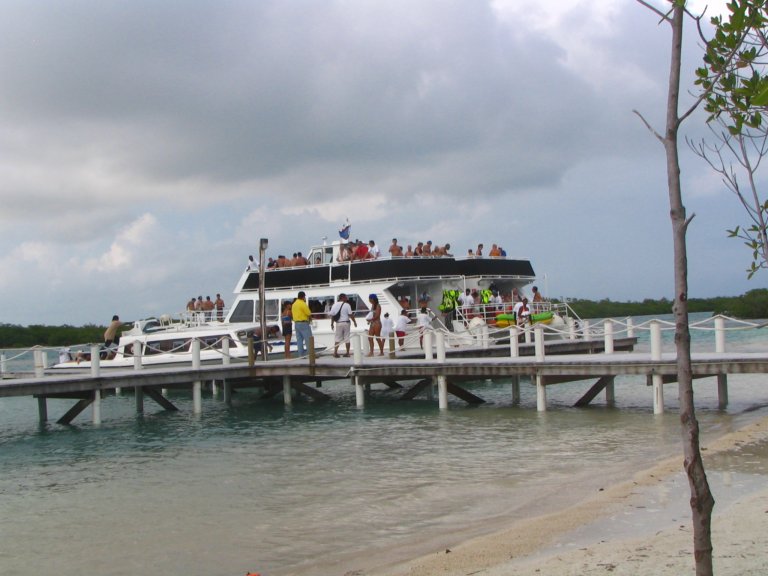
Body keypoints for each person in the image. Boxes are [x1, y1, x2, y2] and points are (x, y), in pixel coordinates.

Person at [329, 293, 357, 357]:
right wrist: (354, 322)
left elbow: (333, 315)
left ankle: (335, 353)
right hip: (346, 323)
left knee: (337, 338)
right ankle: (347, 353)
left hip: (338, 323)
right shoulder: (347, 305)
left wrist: (332, 324)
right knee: (347, 338)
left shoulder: (334, 305)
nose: (347, 298)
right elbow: (350, 315)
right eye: (346, 297)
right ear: (343, 298)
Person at [292, 291, 313, 357]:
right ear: (303, 297)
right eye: (304, 297)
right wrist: (310, 320)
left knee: (299, 340)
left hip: (296, 324)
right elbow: (308, 313)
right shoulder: (302, 303)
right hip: (303, 323)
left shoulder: (294, 304)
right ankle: (311, 354)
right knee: (308, 339)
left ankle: (301, 355)